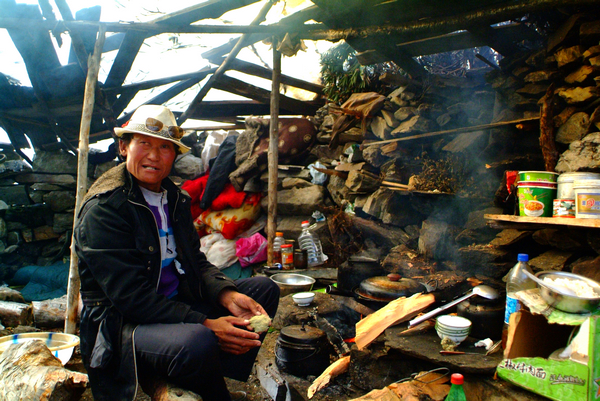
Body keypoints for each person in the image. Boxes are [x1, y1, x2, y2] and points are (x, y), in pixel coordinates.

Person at [73, 105, 280, 401]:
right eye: (144, 143)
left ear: (174, 155)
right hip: (123, 324)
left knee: (263, 289)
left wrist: (226, 294)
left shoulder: (174, 198)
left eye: (165, 147)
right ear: (124, 147)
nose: (154, 156)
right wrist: (205, 323)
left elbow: (196, 262)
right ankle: (206, 383)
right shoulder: (105, 209)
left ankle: (208, 370)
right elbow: (131, 298)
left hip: (173, 303)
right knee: (198, 339)